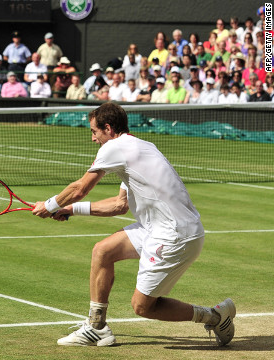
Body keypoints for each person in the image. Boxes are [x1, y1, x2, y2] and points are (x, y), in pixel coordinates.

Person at [32, 102, 235, 348]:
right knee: (102, 251)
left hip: (174, 235)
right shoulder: (140, 147)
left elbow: (80, 188)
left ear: (108, 128)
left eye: (95, 132)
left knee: (142, 307)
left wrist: (50, 205)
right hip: (156, 229)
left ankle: (214, 316)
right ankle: (96, 327)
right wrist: (70, 209)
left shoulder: (115, 147)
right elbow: (119, 205)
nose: (93, 138)